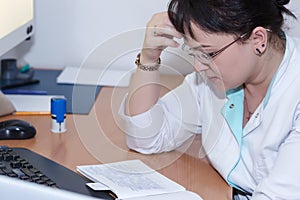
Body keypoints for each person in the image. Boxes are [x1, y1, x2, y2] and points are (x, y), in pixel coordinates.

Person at [119, 0, 299, 199]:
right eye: (194, 52)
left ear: (258, 39)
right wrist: (149, 59)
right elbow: (146, 138)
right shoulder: (212, 80)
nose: (198, 67)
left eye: (208, 54)